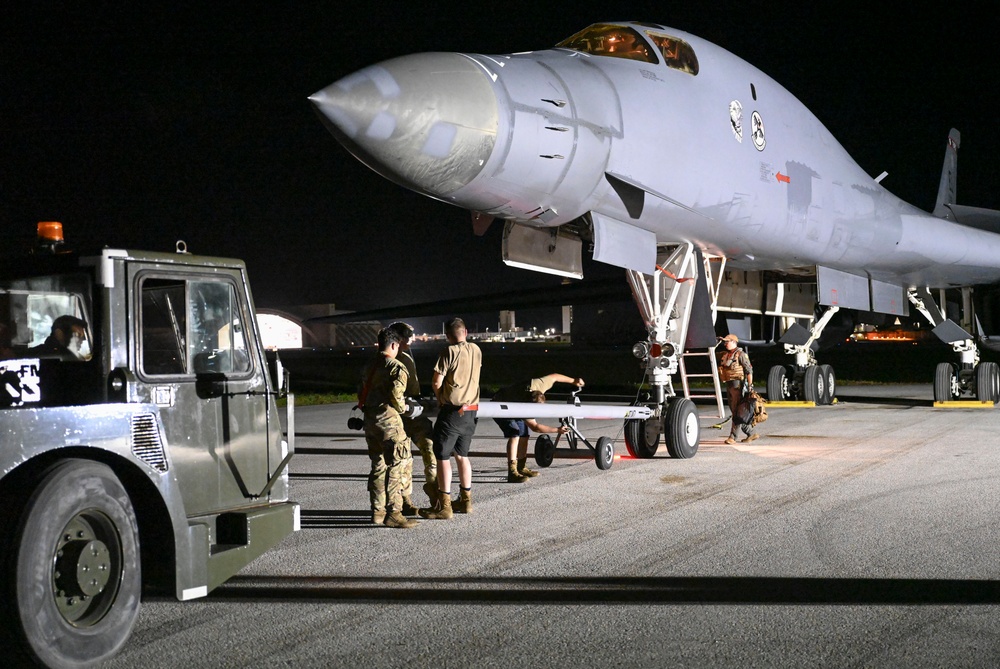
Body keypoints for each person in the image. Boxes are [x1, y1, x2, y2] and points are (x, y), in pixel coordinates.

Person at [420, 317, 482, 520]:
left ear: (447, 336)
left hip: (453, 412)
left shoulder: (449, 351)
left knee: (442, 457)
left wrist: (439, 400)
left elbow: (436, 382)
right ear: (466, 332)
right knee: (462, 456)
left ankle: (444, 505)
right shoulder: (476, 350)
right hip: (471, 412)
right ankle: (466, 500)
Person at [360, 327, 419, 529]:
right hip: (389, 422)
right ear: (394, 345)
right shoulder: (395, 367)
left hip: (370, 420)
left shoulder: (369, 365)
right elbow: (396, 395)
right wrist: (405, 408)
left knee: (377, 466)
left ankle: (377, 511)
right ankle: (394, 512)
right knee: (396, 465)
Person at [491, 374, 584, 482]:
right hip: (499, 405)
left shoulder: (539, 385)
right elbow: (536, 427)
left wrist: (574, 380)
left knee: (524, 435)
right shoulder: (524, 406)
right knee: (515, 433)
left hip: (512, 401)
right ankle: (512, 472)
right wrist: (557, 430)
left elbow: (554, 377)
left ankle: (521, 467)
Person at [387, 321, 437, 513]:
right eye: (405, 337)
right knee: (403, 459)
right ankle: (405, 500)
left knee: (430, 447)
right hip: (399, 413)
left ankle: (434, 491)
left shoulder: (407, 355)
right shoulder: (389, 360)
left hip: (413, 409)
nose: (409, 341)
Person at [717, 333, 758, 444]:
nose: (725, 344)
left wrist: (750, 386)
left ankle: (733, 437)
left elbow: (749, 370)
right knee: (735, 410)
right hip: (729, 384)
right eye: (724, 342)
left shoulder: (741, 354)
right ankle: (751, 432)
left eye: (727, 341)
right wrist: (717, 342)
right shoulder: (725, 354)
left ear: (734, 342)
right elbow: (711, 354)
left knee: (736, 411)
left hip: (738, 385)